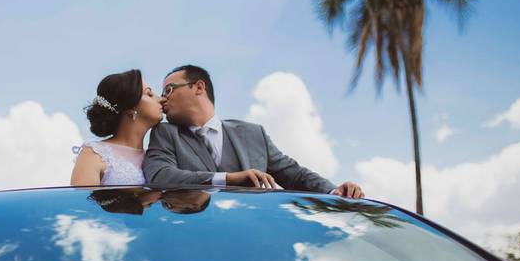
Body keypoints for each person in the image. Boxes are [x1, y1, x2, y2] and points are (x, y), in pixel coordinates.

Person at [143, 64, 364, 198]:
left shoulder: (252, 133)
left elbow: (294, 174)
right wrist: (228, 179)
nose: (163, 98)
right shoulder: (164, 133)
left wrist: (333, 191)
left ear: (199, 87)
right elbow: (159, 176)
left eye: (169, 89)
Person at [71, 69, 163, 186]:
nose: (160, 99)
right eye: (149, 94)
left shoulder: (157, 156)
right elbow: (81, 202)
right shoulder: (95, 154)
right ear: (130, 108)